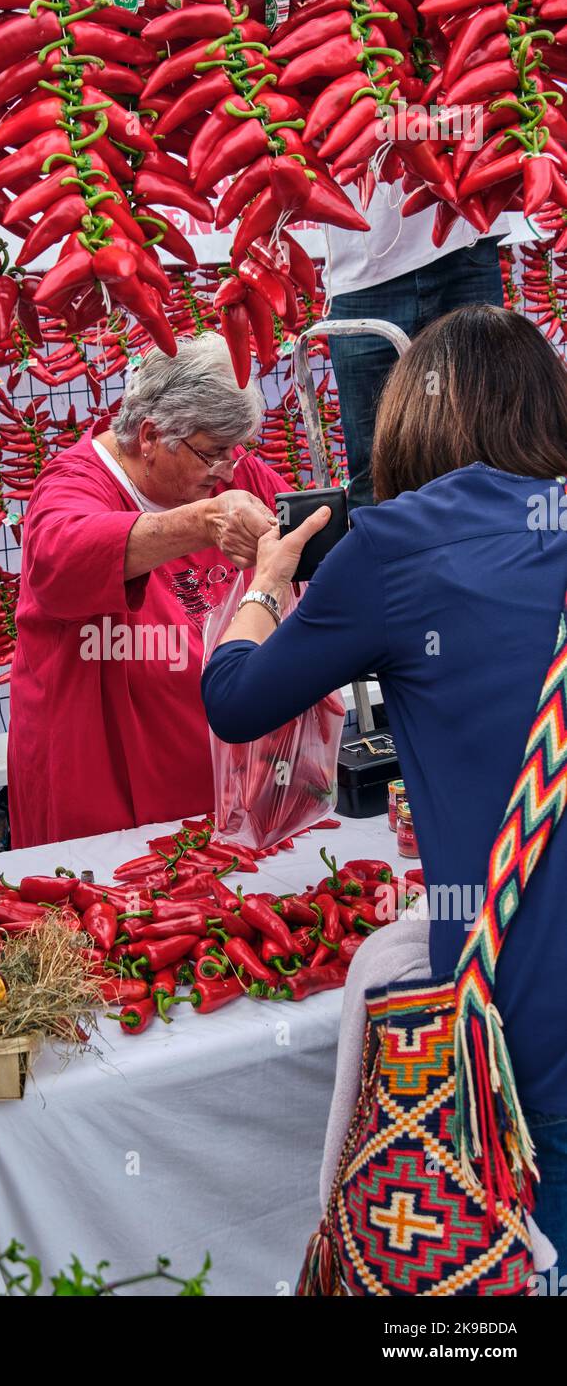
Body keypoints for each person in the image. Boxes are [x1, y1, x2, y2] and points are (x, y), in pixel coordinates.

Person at [201, 304, 567, 1266]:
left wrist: (268, 585)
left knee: (530, 1240)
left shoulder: (399, 544)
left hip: (524, 989)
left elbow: (235, 699)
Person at [8, 333, 292, 848]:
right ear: (149, 436)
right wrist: (204, 520)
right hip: (102, 780)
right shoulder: (75, 482)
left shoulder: (234, 471)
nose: (228, 470)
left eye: (234, 451)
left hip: (219, 777)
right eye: (211, 455)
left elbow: (300, 542)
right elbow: (59, 562)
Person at [325, 182, 507, 510]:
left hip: (465, 240)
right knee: (374, 466)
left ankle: (493, 556)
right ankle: (388, 557)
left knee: (489, 444)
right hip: (366, 269)